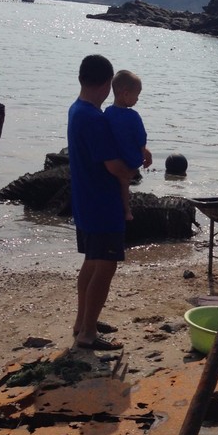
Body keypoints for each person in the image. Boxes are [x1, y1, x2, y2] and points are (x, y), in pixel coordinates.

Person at [68, 54, 135, 351]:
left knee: (92, 263)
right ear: (107, 84)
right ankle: (87, 335)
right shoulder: (94, 119)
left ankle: (84, 322)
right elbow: (114, 167)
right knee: (105, 267)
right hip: (101, 204)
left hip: (85, 200)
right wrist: (132, 170)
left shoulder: (77, 109)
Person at [104, 70, 152, 220]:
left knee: (118, 183)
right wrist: (145, 152)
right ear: (125, 94)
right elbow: (141, 138)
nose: (137, 99)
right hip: (128, 159)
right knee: (124, 182)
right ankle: (127, 211)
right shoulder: (133, 116)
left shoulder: (107, 112)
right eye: (136, 95)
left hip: (112, 158)